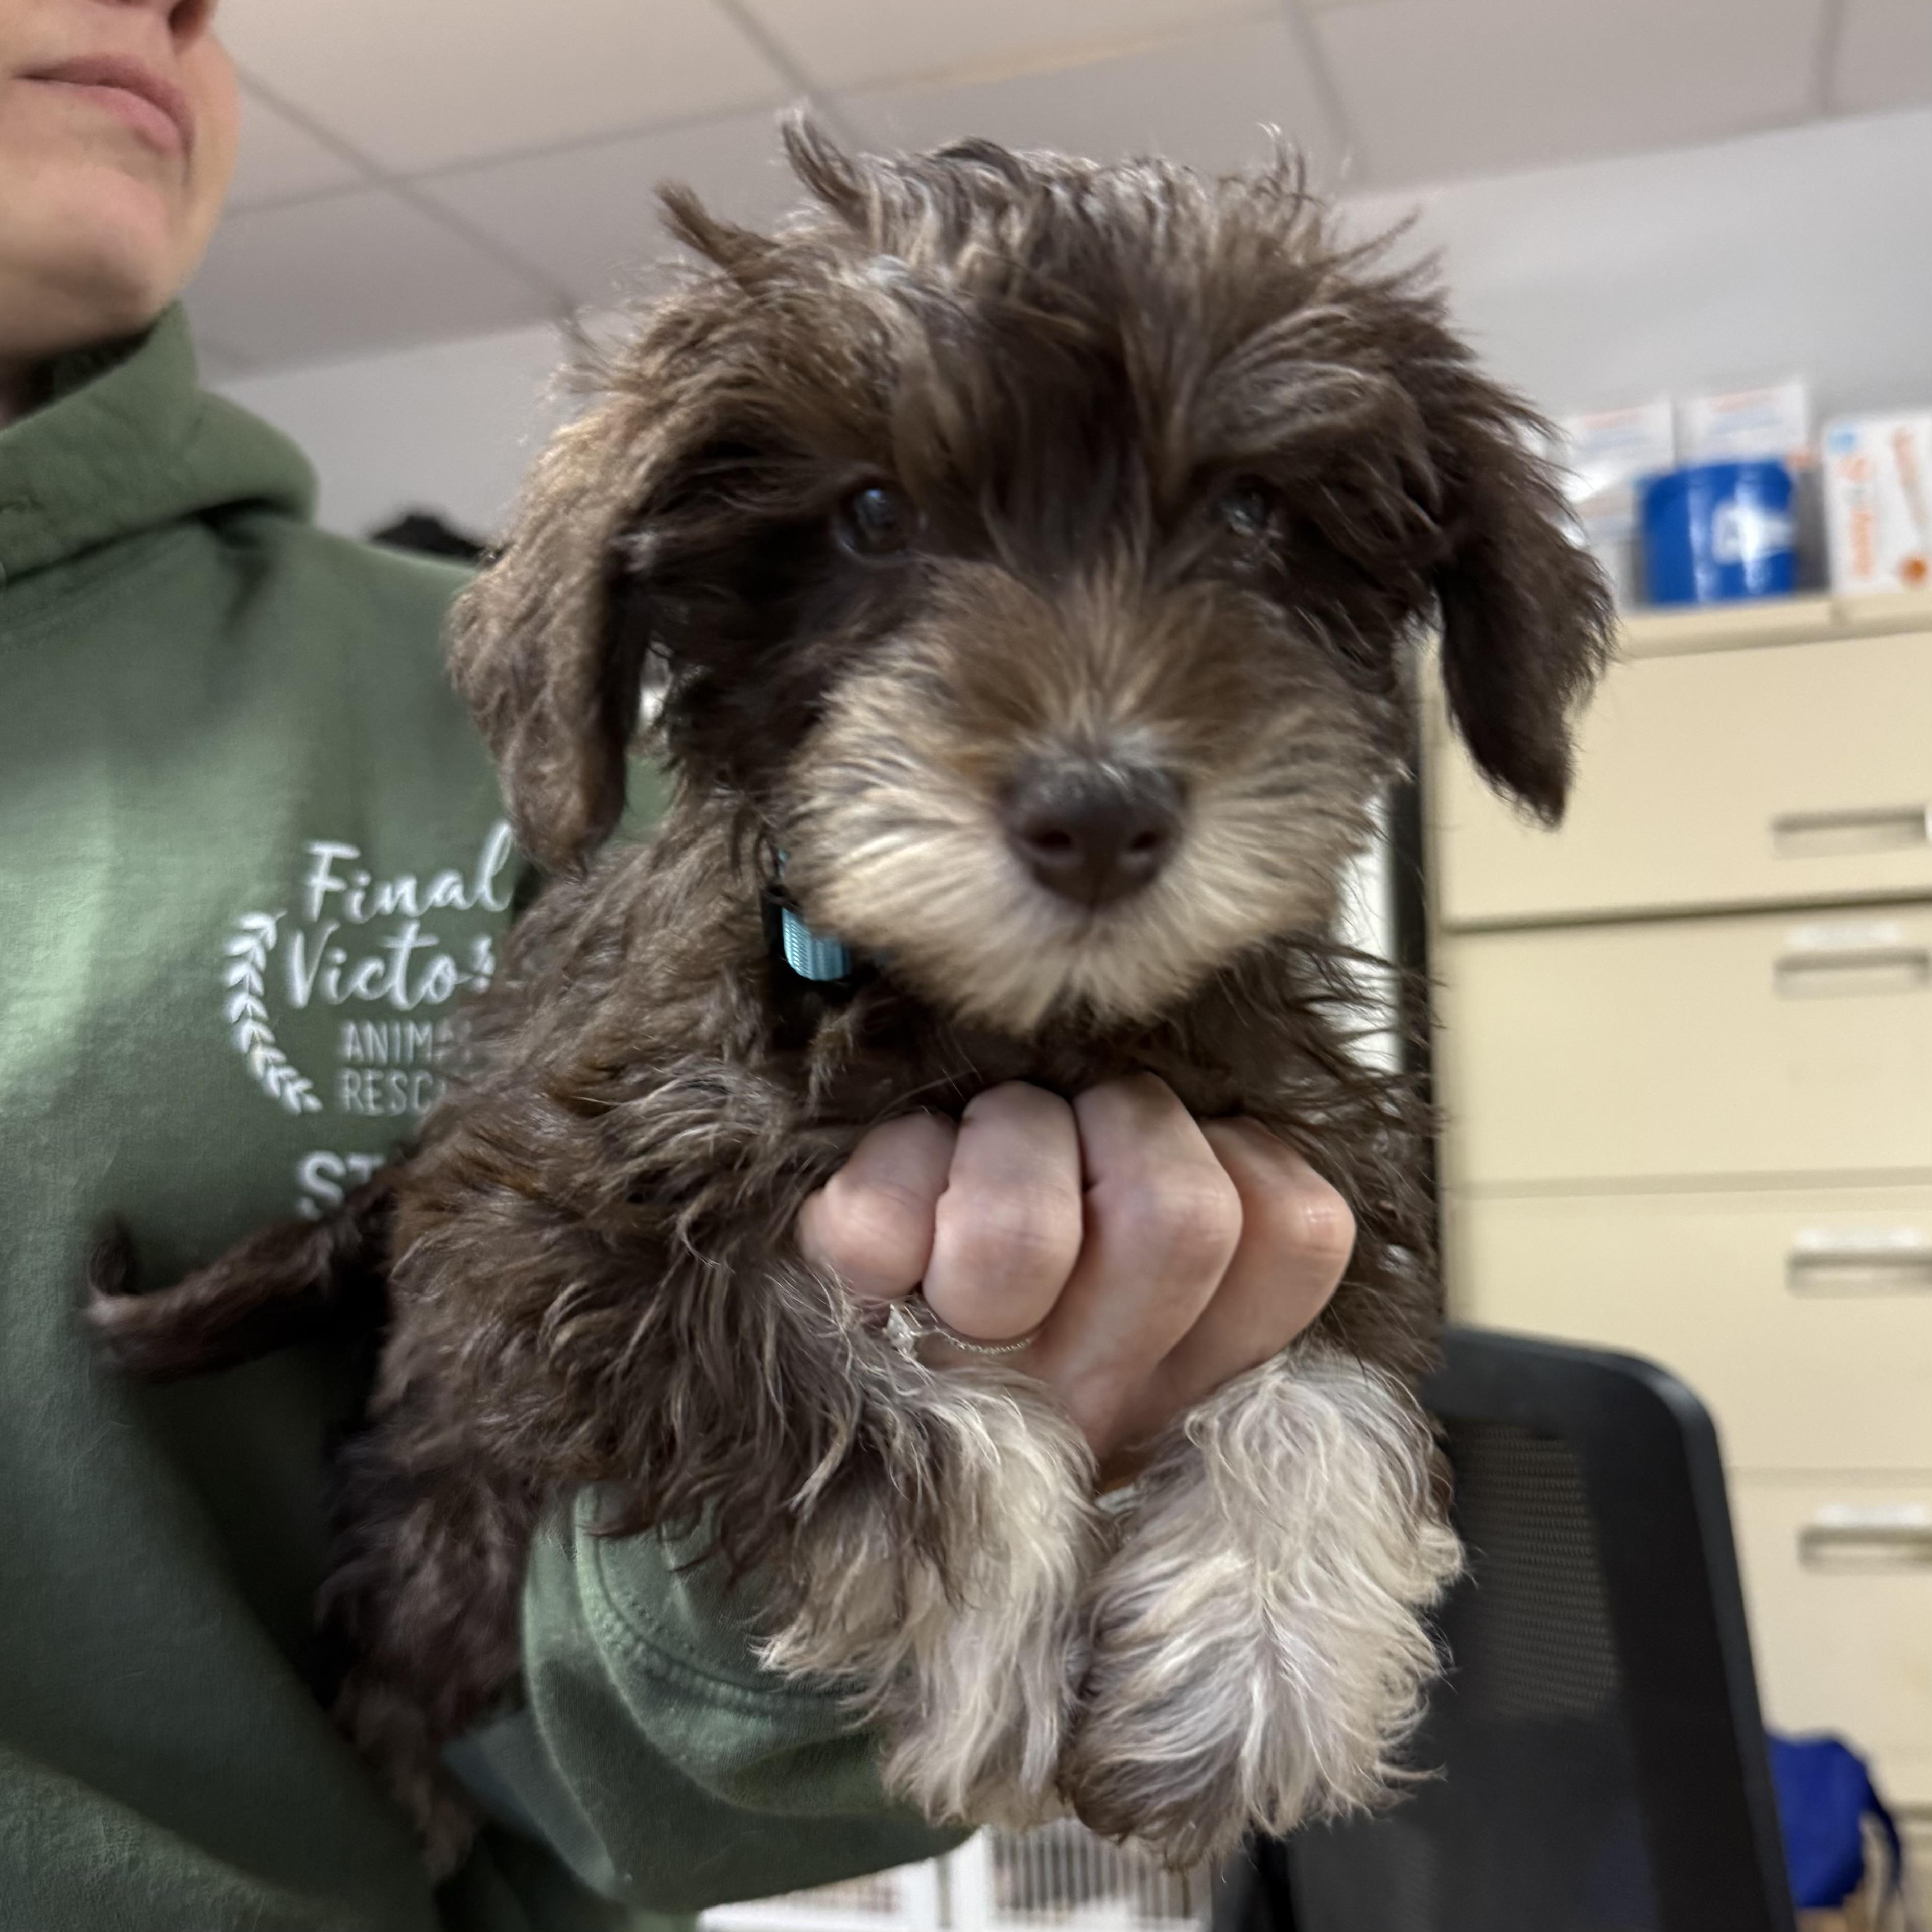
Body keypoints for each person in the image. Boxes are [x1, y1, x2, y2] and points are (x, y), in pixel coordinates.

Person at [0, 2, 1358, 1926]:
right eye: (879, 522)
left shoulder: (522, 729)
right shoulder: (623, 660)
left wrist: (885, 1562)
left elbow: (633, 1742)